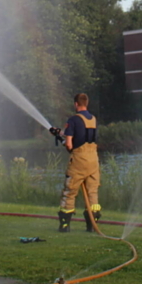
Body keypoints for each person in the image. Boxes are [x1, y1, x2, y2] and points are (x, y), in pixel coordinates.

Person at [57, 93, 101, 233]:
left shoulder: (73, 119)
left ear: (76, 104)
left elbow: (69, 145)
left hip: (79, 160)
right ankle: (92, 226)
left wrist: (63, 141)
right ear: (86, 103)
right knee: (92, 192)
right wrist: (60, 133)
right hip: (93, 159)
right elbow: (83, 135)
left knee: (69, 192)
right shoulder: (93, 119)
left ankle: (65, 225)